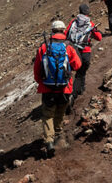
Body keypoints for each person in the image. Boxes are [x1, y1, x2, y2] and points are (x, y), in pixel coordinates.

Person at [34, 20, 82, 158]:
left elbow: (37, 68)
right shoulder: (69, 46)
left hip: (47, 88)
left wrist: (40, 82)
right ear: (63, 31)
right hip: (64, 88)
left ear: (53, 31)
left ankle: (49, 141)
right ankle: (58, 136)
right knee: (60, 112)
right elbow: (78, 65)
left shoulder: (44, 46)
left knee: (48, 114)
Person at [65, 4, 102, 99]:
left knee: (69, 72)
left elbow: (65, 34)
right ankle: (73, 94)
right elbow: (99, 37)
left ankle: (80, 88)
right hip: (85, 51)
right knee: (81, 72)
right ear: (88, 12)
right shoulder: (90, 23)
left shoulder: (73, 22)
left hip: (72, 51)